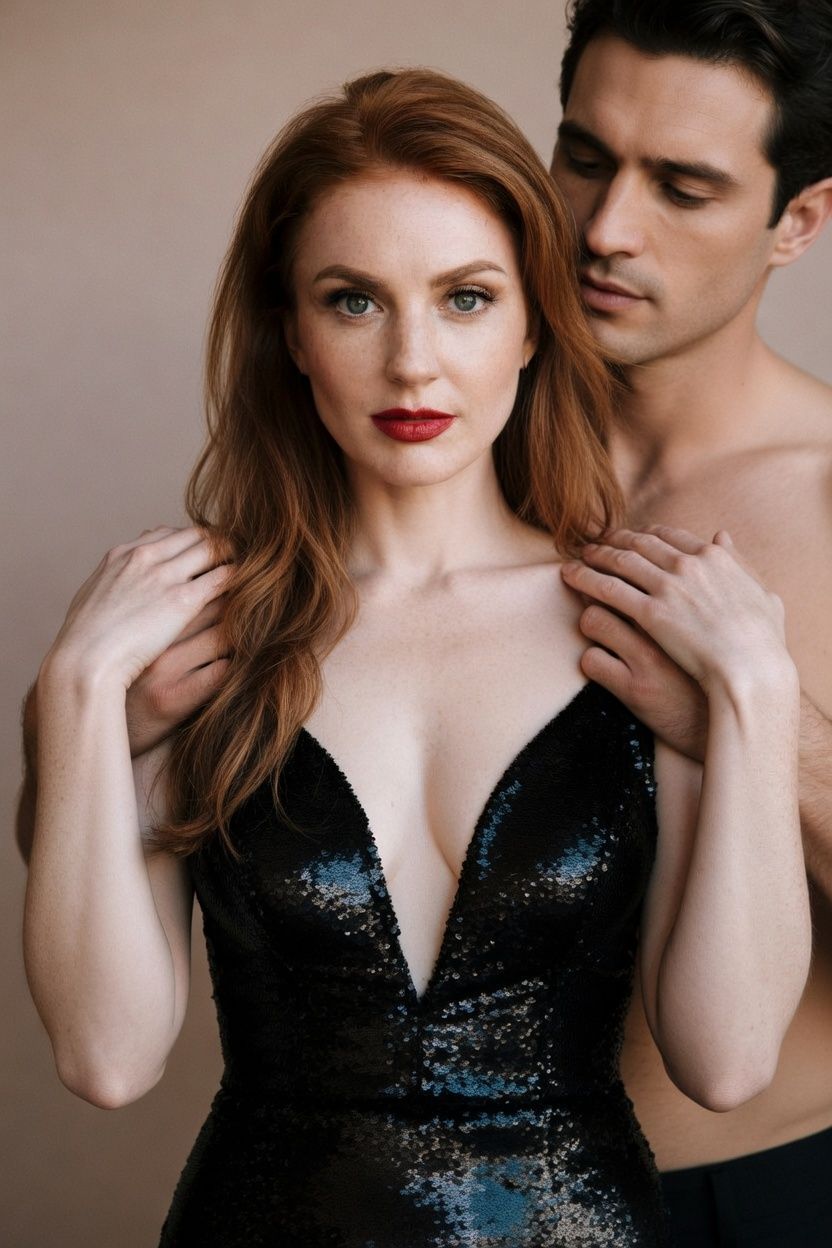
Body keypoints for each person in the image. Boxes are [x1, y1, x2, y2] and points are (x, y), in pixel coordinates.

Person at [21, 69, 810, 1247]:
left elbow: (728, 1061)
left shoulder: (648, 630)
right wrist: (79, 697)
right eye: (353, 301)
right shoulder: (192, 639)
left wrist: (756, 693)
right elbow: (107, 1057)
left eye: (465, 298)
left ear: (534, 320)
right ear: (290, 331)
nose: (411, 364)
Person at [550, 1, 832, 1243]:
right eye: (585, 158)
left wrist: (745, 718)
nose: (607, 228)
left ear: (797, 221)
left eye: (682, 187)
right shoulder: (436, 438)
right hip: (446, 1197)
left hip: (751, 1199)